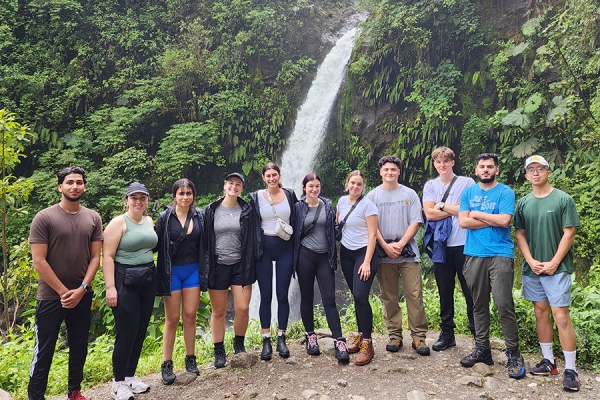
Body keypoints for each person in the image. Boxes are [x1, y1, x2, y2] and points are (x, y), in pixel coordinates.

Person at [28, 166, 103, 400]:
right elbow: (39, 261)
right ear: (60, 186)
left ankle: (74, 392)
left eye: (79, 182)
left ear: (85, 186)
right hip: (51, 297)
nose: (75, 186)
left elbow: (95, 258)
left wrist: (81, 290)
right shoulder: (44, 217)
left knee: (79, 346)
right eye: (69, 182)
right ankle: (36, 397)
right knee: (44, 350)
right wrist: (63, 292)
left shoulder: (93, 217)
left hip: (82, 295)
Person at [514, 155, 581, 391]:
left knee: (561, 316)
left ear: (548, 172)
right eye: (530, 170)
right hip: (533, 268)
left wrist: (553, 262)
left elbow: (569, 233)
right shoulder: (523, 203)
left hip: (557, 268)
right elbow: (520, 233)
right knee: (540, 312)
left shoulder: (563, 199)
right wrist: (530, 260)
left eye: (540, 168)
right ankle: (549, 361)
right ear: (525, 175)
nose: (535, 173)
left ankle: (571, 370)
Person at [458, 153, 525, 379]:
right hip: (474, 254)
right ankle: (482, 349)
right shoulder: (468, 192)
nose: (485, 170)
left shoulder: (505, 192)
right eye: (482, 167)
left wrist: (476, 213)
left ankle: (513, 353)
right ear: (476, 170)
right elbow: (463, 222)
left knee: (503, 304)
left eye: (490, 167)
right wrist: (490, 217)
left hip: (500, 254)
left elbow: (505, 221)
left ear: (496, 170)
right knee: (478, 304)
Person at [366, 156, 430, 356]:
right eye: (386, 169)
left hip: (408, 252)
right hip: (384, 252)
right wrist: (385, 245)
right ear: (380, 172)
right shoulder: (372, 196)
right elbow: (371, 226)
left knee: (414, 295)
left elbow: (416, 221)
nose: (390, 173)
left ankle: (419, 338)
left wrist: (401, 244)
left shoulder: (409, 194)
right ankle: (395, 335)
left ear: (399, 172)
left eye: (393, 169)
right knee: (389, 295)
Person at [103, 182, 158, 400]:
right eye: (133, 198)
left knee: (140, 329)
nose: (138, 201)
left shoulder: (148, 220)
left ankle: (130, 376)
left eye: (142, 198)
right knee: (126, 331)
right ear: (126, 200)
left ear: (147, 201)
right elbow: (107, 256)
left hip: (147, 278)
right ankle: (117, 382)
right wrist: (110, 287)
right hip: (124, 279)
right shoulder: (118, 223)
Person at [422, 147, 476, 351]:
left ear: (453, 162)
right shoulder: (430, 185)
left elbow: (469, 212)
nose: (442, 165)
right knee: (445, 291)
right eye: (438, 162)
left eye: (446, 161)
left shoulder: (467, 183)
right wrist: (455, 208)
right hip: (441, 245)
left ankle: (477, 335)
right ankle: (447, 334)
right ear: (434, 164)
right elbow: (429, 215)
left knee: (470, 291)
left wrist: (441, 206)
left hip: (465, 244)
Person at [293, 173, 350, 363]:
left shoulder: (327, 205)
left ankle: (339, 340)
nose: (314, 189)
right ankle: (310, 336)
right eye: (311, 186)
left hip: (325, 256)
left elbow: (334, 230)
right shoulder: (298, 208)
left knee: (329, 299)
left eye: (317, 186)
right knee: (307, 297)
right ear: (304, 188)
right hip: (305, 256)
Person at [155, 178, 206, 384]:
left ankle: (190, 358)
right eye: (181, 193)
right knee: (172, 319)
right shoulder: (165, 218)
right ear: (174, 196)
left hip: (193, 270)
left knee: (190, 315)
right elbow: (154, 244)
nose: (185, 197)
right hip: (172, 272)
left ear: (193, 195)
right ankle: (167, 364)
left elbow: (208, 243)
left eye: (189, 193)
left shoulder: (200, 216)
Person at [204, 173, 256, 368]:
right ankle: (219, 350)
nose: (234, 187)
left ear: (242, 188)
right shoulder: (211, 210)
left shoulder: (247, 210)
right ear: (225, 185)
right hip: (218, 265)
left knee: (242, 308)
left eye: (238, 184)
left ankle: (239, 344)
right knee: (219, 311)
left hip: (241, 265)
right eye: (231, 183)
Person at [249, 162, 298, 360]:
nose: (272, 178)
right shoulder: (256, 197)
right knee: (266, 296)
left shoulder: (290, 195)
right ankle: (266, 340)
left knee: (282, 294)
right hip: (264, 251)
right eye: (268, 175)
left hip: (285, 249)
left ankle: (282, 338)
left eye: (274, 175)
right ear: (263, 178)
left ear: (279, 175)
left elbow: (299, 217)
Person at [337, 170, 379, 366]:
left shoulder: (368, 205)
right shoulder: (341, 202)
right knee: (356, 296)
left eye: (359, 184)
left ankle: (368, 344)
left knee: (361, 296)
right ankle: (361, 336)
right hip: (346, 253)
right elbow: (338, 225)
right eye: (352, 183)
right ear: (347, 183)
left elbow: (373, 235)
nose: (355, 186)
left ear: (363, 186)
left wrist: (367, 262)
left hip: (364, 253)